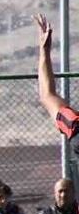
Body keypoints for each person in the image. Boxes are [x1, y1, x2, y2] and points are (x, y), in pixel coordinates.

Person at [34, 14, 79, 166]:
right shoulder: (74, 123)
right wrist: (44, 51)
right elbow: (48, 96)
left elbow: (47, 95)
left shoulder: (74, 124)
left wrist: (44, 51)